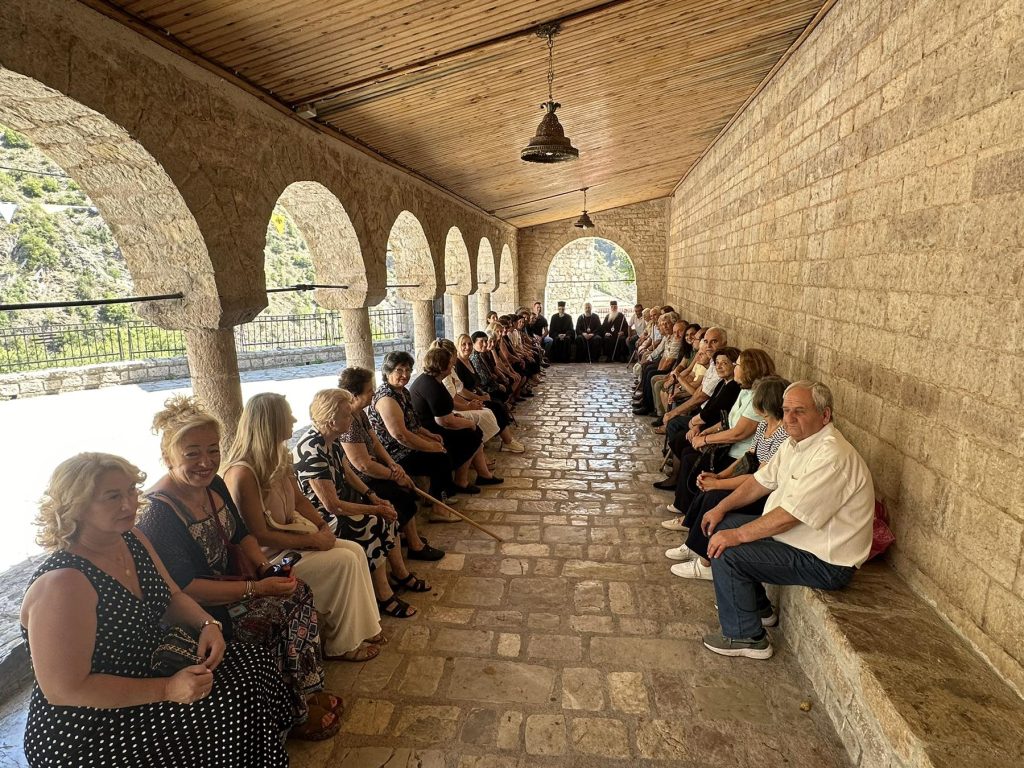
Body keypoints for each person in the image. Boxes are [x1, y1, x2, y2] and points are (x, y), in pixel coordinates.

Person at [21, 452, 292, 766]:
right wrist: (168, 689)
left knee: (252, 661)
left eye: (131, 491)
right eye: (112, 497)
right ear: (75, 507)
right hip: (89, 726)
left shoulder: (131, 538)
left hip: (146, 668)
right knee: (225, 703)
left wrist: (207, 625)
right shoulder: (64, 583)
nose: (129, 504)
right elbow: (65, 690)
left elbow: (171, 596)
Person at [138, 395, 336, 740]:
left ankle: (303, 691)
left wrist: (264, 569)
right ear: (168, 456)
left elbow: (242, 534)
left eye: (213, 450)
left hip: (234, 585)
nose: (206, 462)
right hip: (202, 613)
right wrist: (256, 589)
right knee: (278, 611)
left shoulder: (212, 484)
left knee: (297, 592)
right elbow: (186, 588)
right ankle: (291, 711)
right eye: (192, 453)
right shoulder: (158, 512)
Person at [697, 381, 875, 659]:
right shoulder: (796, 443)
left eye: (799, 411)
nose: (789, 418)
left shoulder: (831, 456)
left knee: (728, 551)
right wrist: (721, 507)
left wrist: (738, 535)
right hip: (798, 542)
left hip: (825, 561)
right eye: (786, 410)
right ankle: (758, 609)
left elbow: (789, 517)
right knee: (723, 524)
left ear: (825, 415)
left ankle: (746, 636)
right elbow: (760, 482)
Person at [222, 392, 390, 663]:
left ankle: (364, 629)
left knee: (355, 551)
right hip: (271, 560)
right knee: (344, 561)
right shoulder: (243, 473)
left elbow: (299, 500)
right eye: (287, 415)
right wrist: (314, 541)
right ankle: (342, 645)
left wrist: (322, 526)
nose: (293, 419)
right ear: (271, 422)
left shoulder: (279, 456)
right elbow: (258, 534)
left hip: (292, 541)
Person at [293, 388, 432, 619]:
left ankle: (400, 574)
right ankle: (384, 595)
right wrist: (375, 509)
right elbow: (332, 506)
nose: (351, 418)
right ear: (331, 420)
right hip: (320, 517)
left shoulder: (329, 438)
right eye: (346, 415)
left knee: (388, 513)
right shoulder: (312, 450)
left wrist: (372, 495)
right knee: (374, 522)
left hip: (341, 504)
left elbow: (347, 472)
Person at [665, 375, 790, 572]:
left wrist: (718, 484)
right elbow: (748, 458)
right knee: (707, 488)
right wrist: (719, 476)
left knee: (715, 496)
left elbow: (761, 478)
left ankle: (705, 563)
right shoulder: (764, 425)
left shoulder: (783, 434)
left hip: (764, 492)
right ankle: (693, 544)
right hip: (753, 480)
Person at [336, 365, 458, 528]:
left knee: (440, 458)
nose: (373, 393)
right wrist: (394, 476)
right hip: (363, 478)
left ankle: (429, 514)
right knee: (403, 495)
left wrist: (392, 465)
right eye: (369, 390)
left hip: (378, 463)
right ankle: (411, 537)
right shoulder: (349, 422)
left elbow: (375, 442)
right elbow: (363, 466)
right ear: (354, 395)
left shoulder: (360, 413)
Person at [367, 350, 462, 508]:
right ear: (387, 371)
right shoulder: (387, 398)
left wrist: (429, 435)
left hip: (405, 446)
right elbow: (400, 436)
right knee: (440, 458)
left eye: (408, 370)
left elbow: (413, 424)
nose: (405, 375)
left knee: (445, 445)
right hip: (394, 453)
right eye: (399, 370)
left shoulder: (402, 391)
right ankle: (439, 508)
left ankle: (437, 496)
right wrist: (430, 446)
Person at [409, 347, 504, 493]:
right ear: (441, 366)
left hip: (434, 425)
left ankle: (483, 474)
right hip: (431, 431)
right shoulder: (431, 386)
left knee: (474, 432)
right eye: (450, 363)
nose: (452, 366)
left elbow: (445, 410)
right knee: (472, 434)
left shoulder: (432, 380)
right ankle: (461, 481)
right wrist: (470, 423)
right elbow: (444, 421)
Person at [453, 334, 524, 451]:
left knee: (497, 404)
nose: (467, 347)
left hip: (476, 395)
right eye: (463, 344)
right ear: (457, 346)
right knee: (495, 407)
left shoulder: (469, 361)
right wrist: (480, 398)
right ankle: (508, 441)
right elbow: (461, 391)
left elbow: (476, 383)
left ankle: (507, 440)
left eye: (469, 344)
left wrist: (483, 394)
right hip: (467, 400)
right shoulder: (457, 364)